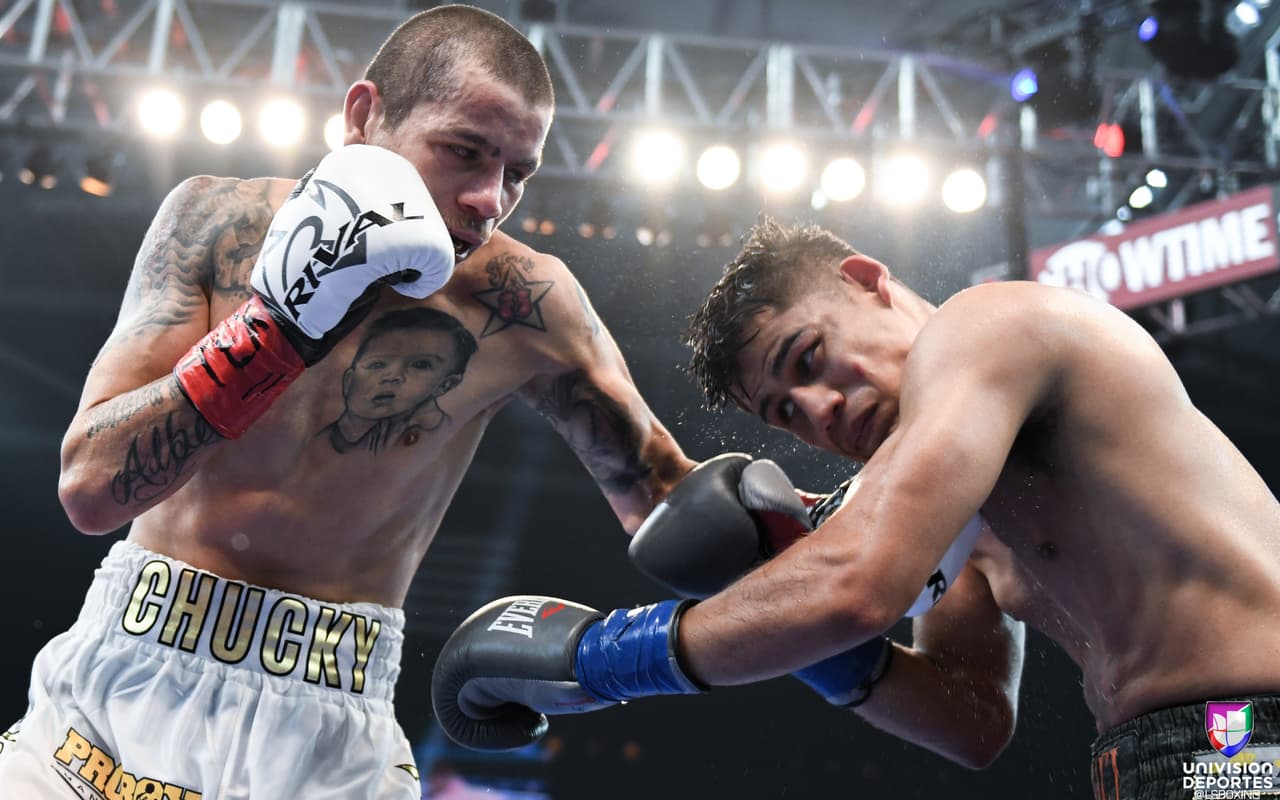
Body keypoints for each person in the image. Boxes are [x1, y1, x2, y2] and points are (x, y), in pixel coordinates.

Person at [1, 6, 819, 798]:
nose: (489, 199)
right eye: (464, 151)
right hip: (114, 693)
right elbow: (90, 488)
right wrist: (278, 329)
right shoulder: (217, 224)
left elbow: (671, 505)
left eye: (516, 173)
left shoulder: (525, 300)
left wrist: (834, 521)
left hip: (327, 732)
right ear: (365, 115)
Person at [432, 218, 1280, 800]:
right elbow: (972, 720)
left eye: (810, 357)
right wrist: (817, 644)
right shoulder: (960, 513)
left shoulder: (991, 325)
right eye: (786, 413)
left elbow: (857, 587)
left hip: (1245, 733)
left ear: (867, 281)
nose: (821, 411)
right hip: (1168, 753)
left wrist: (596, 658)